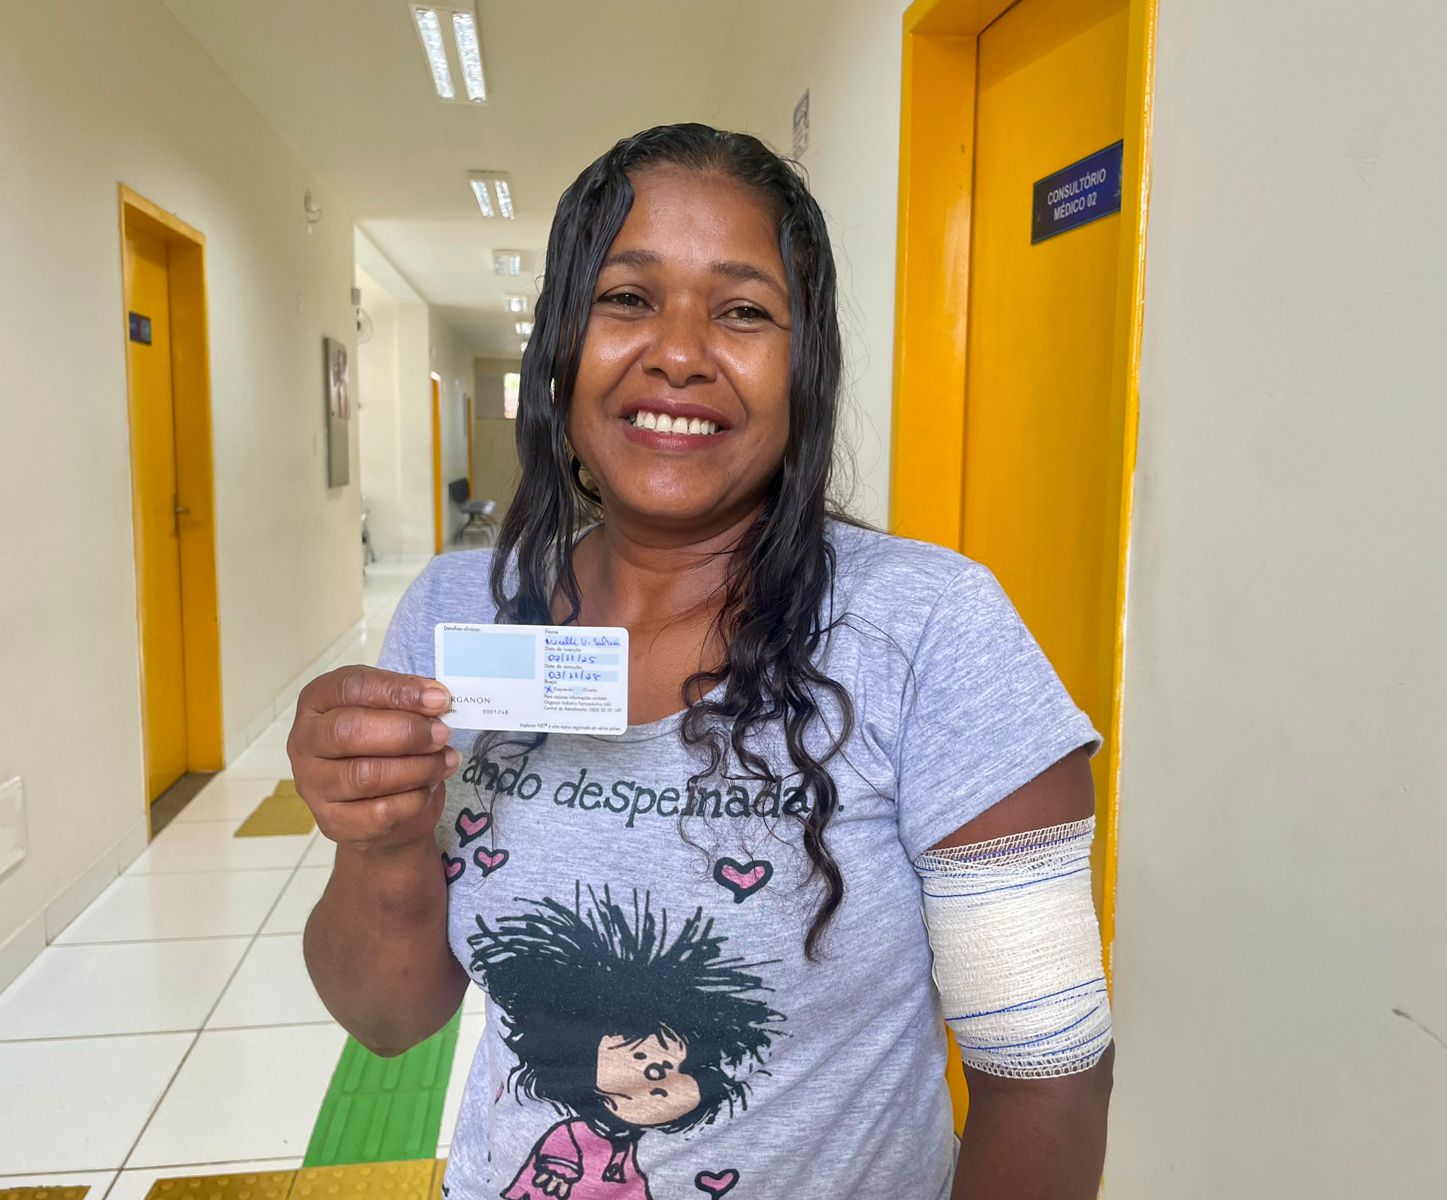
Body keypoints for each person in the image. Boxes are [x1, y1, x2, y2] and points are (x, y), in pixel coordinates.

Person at [292, 123, 1113, 1200]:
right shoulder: (459, 613)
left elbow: (1047, 1078)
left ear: (804, 363)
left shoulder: (930, 631)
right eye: (627, 298)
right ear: (560, 345)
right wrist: (383, 839)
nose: (678, 353)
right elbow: (389, 1019)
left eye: (743, 311)